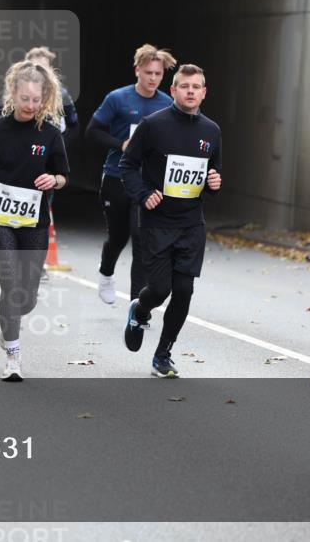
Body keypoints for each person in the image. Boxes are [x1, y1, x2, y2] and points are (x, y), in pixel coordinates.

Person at [0, 61, 69, 381]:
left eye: (36, 100)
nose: (30, 105)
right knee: (10, 286)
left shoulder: (50, 134)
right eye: (25, 99)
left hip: (35, 222)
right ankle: (12, 354)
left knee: (27, 295)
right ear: (13, 93)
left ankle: (9, 324)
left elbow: (64, 175)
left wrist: (54, 180)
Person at [119, 64, 221, 378]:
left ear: (204, 93)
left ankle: (163, 353)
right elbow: (127, 165)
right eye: (184, 86)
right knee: (160, 289)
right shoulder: (153, 125)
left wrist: (214, 182)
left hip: (191, 224)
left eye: (196, 87)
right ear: (173, 90)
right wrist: (143, 194)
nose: (190, 91)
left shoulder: (211, 130)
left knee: (185, 290)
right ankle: (139, 309)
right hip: (157, 222)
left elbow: (210, 174)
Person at [86, 44, 176, 304]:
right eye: (148, 72)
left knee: (141, 239)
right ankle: (106, 273)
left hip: (146, 183)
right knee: (118, 238)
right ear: (137, 71)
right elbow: (92, 131)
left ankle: (137, 304)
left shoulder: (167, 104)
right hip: (116, 177)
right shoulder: (118, 98)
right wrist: (121, 144)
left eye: (158, 74)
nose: (153, 78)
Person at [25, 46, 79, 144]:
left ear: (50, 68)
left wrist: (59, 146)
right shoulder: (17, 94)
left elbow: (74, 126)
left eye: (43, 67)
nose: (39, 71)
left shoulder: (62, 94)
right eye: (35, 67)